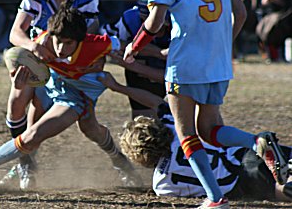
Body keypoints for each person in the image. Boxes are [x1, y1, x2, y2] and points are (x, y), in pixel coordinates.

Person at [123, 0, 289, 208]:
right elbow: (240, 13)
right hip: (218, 63)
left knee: (187, 135)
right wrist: (222, 44)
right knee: (209, 130)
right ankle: (256, 141)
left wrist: (135, 46)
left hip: (185, 63)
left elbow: (155, 21)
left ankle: (215, 198)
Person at [0, 5, 142, 189]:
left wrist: (159, 54)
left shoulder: (96, 43)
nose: (60, 48)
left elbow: (127, 47)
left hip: (80, 91)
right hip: (53, 81)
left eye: (68, 43)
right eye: (58, 40)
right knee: (31, 131)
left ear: (80, 40)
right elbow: (19, 56)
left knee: (90, 130)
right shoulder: (43, 43)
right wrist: (19, 82)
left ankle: (119, 161)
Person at [99, 72, 292, 202]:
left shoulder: (162, 185)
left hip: (237, 184)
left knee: (278, 190)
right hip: (243, 155)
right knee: (282, 162)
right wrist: (117, 87)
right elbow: (155, 101)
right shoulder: (175, 127)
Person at [1, 0, 100, 189]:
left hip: (66, 67)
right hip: (37, 59)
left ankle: (23, 164)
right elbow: (15, 32)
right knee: (16, 103)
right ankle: (24, 164)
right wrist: (33, 45)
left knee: (38, 116)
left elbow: (90, 36)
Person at [101, 0, 169, 119]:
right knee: (145, 124)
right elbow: (108, 42)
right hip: (143, 76)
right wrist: (158, 53)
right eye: (145, 20)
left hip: (175, 75)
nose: (153, 27)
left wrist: (137, 63)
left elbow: (179, 78)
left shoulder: (182, 24)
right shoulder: (131, 19)